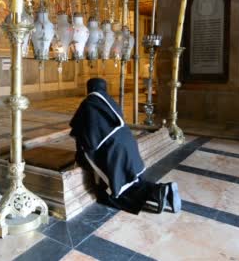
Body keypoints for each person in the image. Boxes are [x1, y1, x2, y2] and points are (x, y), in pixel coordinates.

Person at [70, 78, 181, 214]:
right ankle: (161, 191)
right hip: (128, 144)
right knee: (130, 181)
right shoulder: (110, 102)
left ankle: (159, 191)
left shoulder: (88, 104)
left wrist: (79, 158)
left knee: (110, 195)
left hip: (114, 151)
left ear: (89, 89)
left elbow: (80, 135)